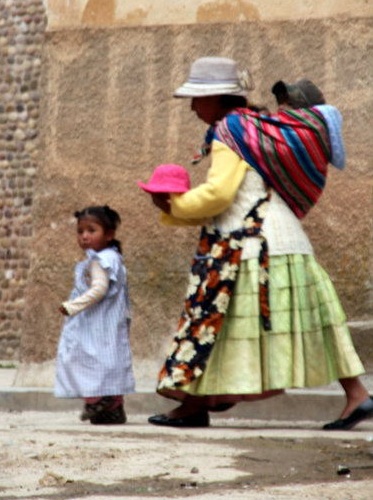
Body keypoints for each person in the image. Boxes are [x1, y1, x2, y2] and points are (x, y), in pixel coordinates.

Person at [144, 56, 373, 430]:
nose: (191, 107)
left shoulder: (228, 132)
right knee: (312, 323)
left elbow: (219, 195)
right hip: (286, 243)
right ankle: (356, 395)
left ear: (217, 98)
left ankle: (193, 405)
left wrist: (173, 204)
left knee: (214, 322)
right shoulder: (253, 127)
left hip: (250, 249)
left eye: (196, 98)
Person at [54, 205, 135, 424]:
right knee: (109, 361)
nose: (84, 236)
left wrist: (74, 306)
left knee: (90, 360)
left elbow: (99, 290)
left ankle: (101, 400)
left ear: (109, 235)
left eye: (92, 230)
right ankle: (112, 410)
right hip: (108, 322)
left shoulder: (101, 260)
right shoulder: (111, 257)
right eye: (80, 232)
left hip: (98, 323)